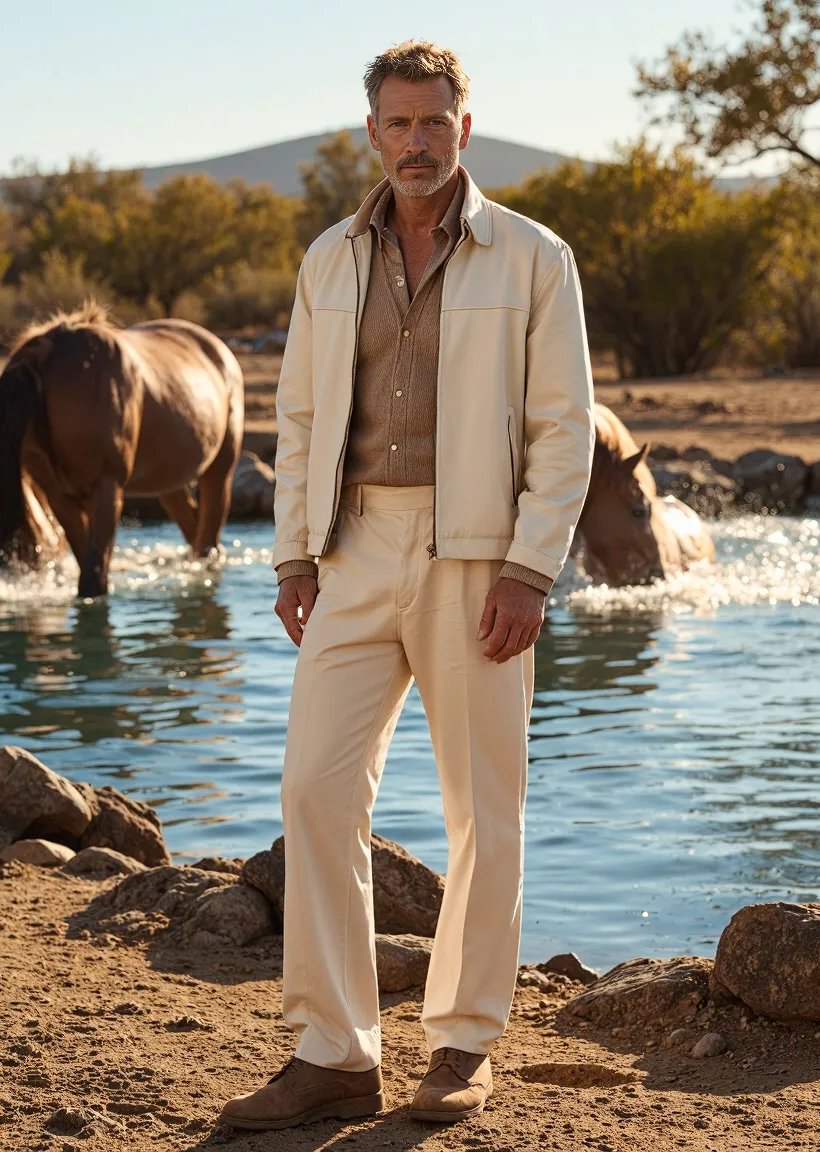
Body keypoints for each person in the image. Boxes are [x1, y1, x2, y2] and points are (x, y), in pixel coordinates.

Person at [220, 39, 595, 1132]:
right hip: (350, 549)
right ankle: (335, 1050)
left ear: (463, 130)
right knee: (313, 793)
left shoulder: (533, 257)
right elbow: (294, 418)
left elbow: (562, 427)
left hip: (479, 551)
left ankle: (463, 1043)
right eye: (399, 124)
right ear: (370, 133)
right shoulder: (328, 258)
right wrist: (294, 553)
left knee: (483, 808)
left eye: (436, 123)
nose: (418, 143)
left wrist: (529, 567)